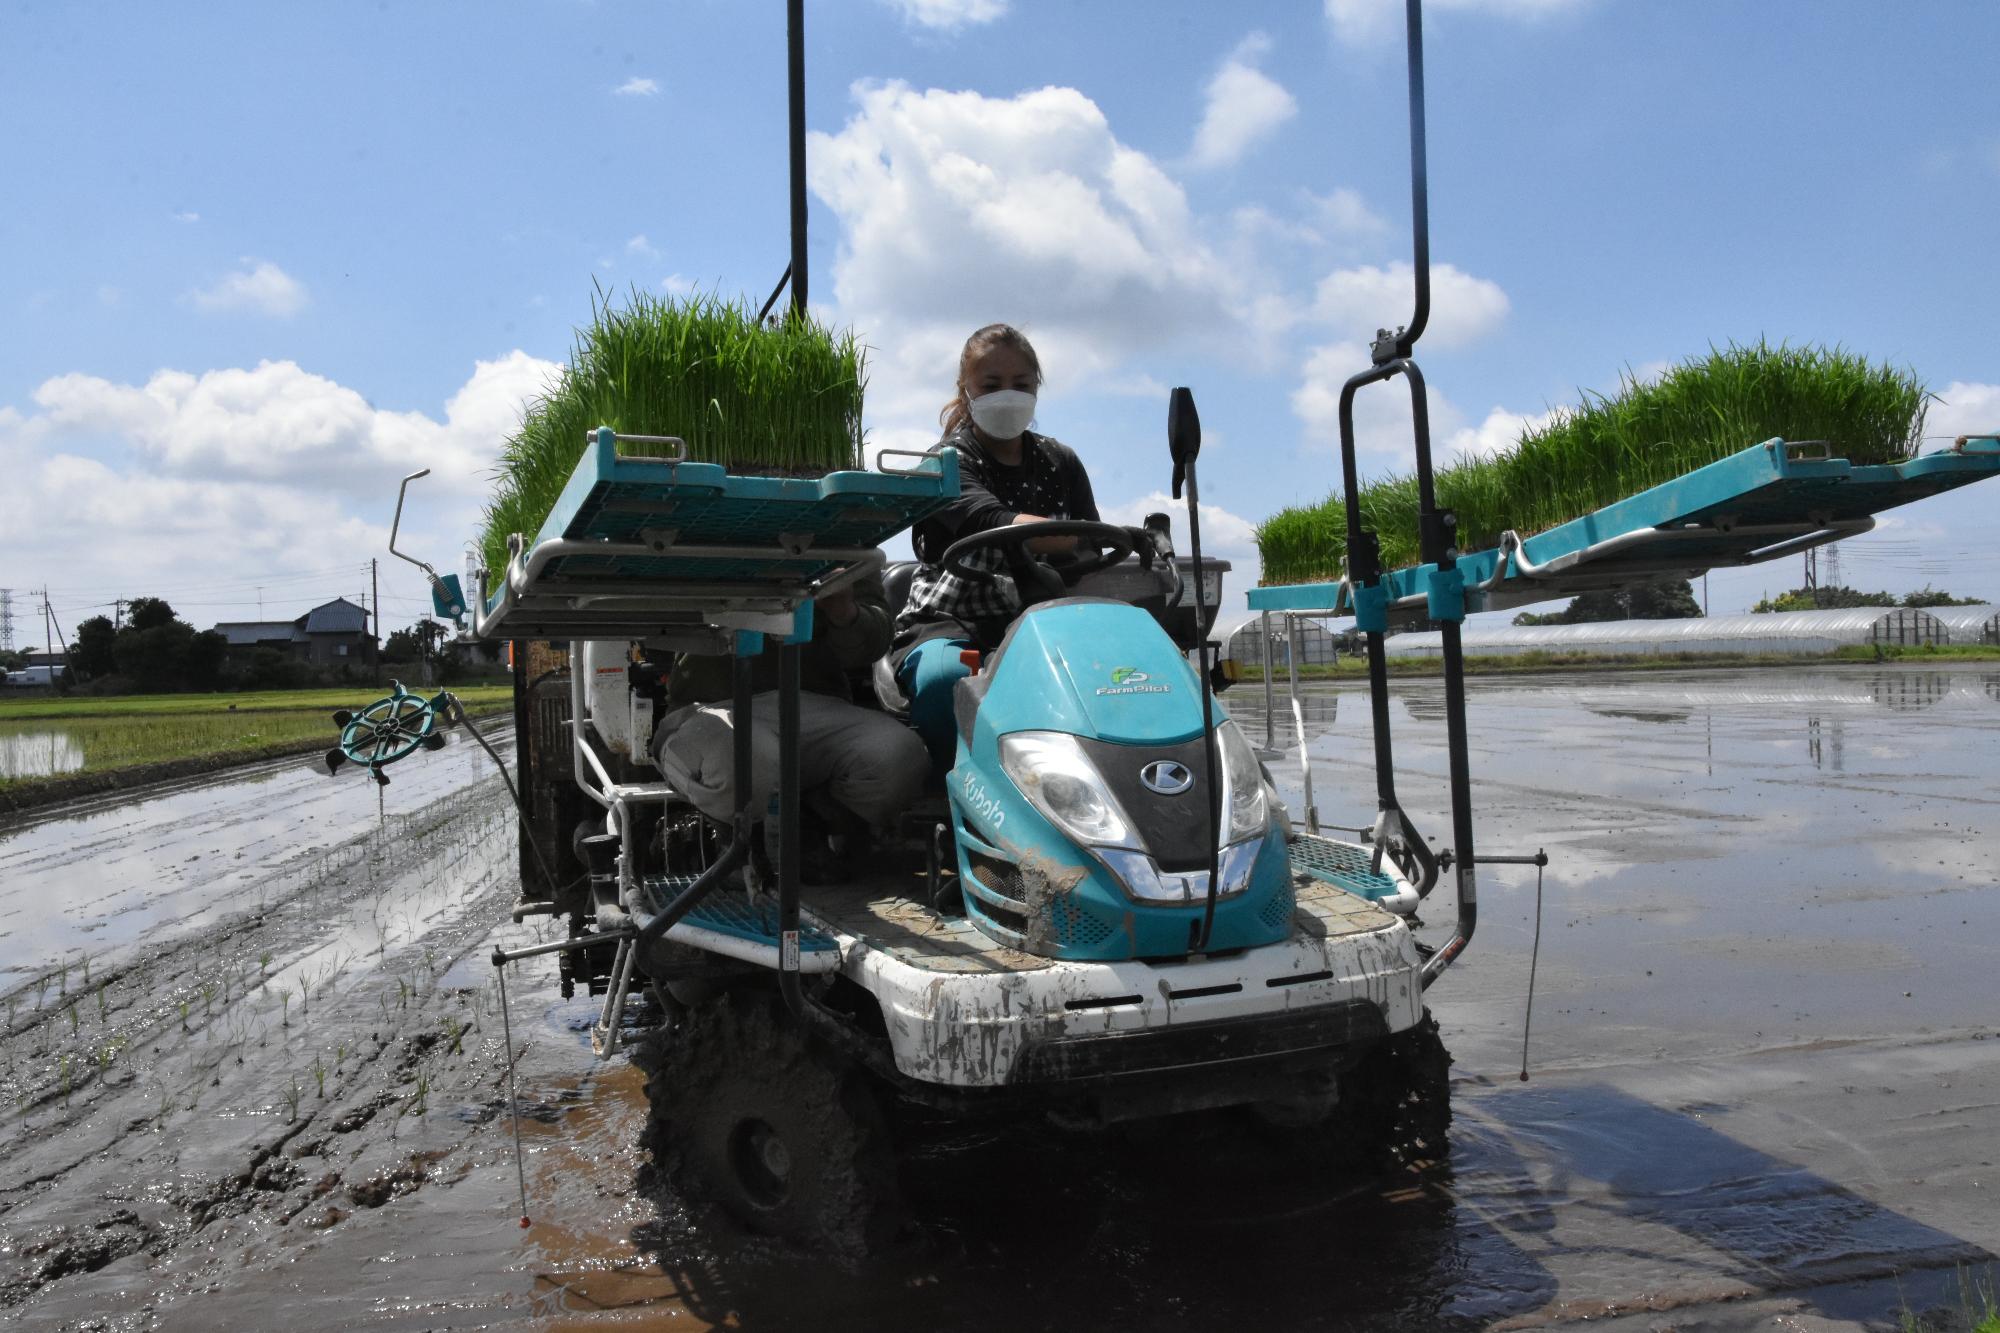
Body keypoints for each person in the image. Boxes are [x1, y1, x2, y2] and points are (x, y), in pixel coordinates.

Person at [893, 323, 1100, 770]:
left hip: (1045, 619)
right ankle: (952, 778)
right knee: (946, 681)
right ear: (966, 390)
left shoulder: (1061, 461)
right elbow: (991, 520)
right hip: (951, 621)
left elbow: (1093, 548)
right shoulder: (945, 463)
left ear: (1037, 388)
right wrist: (1065, 535)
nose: (1008, 395)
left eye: (1020, 384)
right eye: (991, 385)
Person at [652, 568, 929, 855]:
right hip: (710, 704)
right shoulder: (694, 543)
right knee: (744, 762)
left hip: (816, 702)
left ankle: (818, 826)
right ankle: (733, 837)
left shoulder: (843, 546)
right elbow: (649, 614)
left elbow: (873, 643)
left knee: (900, 758)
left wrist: (844, 612)